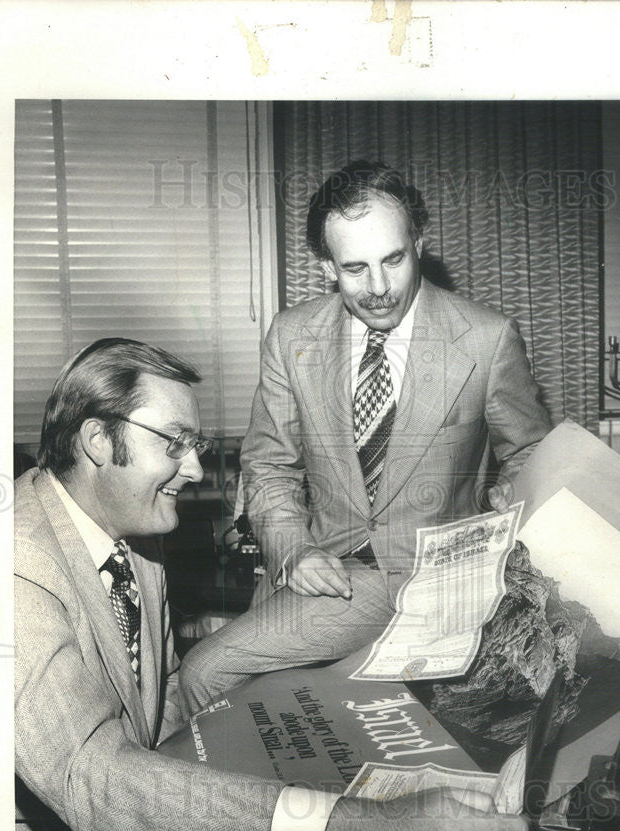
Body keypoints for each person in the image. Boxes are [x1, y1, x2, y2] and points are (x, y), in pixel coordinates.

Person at [14, 337, 529, 831]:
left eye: (198, 444)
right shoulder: (10, 565)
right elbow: (93, 777)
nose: (194, 469)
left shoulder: (135, 533)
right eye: (175, 443)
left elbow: (156, 700)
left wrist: (262, 795)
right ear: (96, 440)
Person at [181, 160, 552, 709]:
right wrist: (294, 549)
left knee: (204, 671)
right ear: (327, 266)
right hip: (315, 568)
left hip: (432, 576)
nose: (379, 289)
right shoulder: (292, 336)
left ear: (419, 242)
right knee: (249, 701)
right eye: (355, 268)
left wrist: (506, 506)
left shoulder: (486, 339)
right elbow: (269, 466)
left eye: (394, 260)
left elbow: (531, 453)